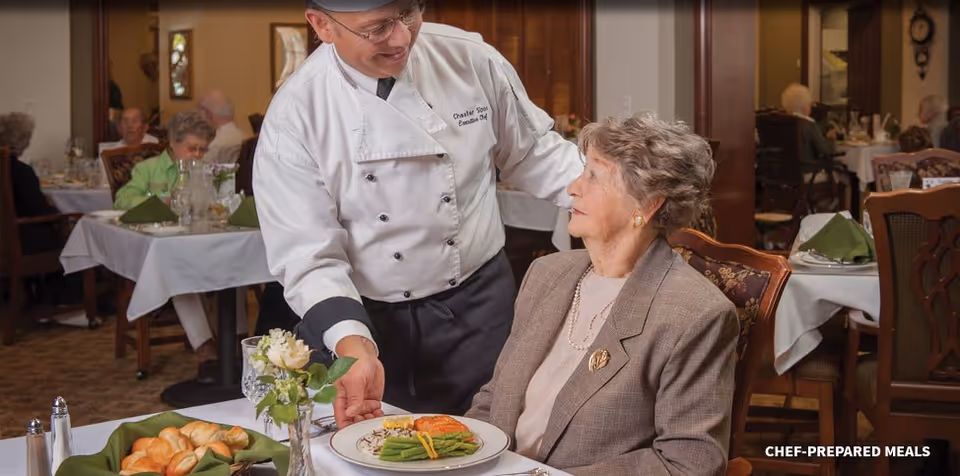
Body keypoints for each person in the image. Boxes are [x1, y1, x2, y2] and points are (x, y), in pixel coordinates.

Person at [253, 0, 583, 427]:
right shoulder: (297, 112)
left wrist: (612, 198)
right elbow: (307, 255)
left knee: (493, 436)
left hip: (478, 306)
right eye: (377, 28)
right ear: (322, 26)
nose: (403, 37)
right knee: (378, 446)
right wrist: (353, 346)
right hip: (366, 318)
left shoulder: (468, 57)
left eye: (410, 12)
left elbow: (535, 153)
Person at [466, 113, 739, 475]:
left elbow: (688, 463)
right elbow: (493, 400)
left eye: (594, 176)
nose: (572, 188)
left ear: (647, 205)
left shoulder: (694, 314)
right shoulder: (547, 274)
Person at [114, 110, 243, 383]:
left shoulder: (209, 170)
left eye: (203, 150)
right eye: (192, 148)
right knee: (177, 274)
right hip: (169, 251)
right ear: (173, 143)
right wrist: (160, 200)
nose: (198, 155)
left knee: (238, 265)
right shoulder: (148, 169)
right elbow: (122, 200)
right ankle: (205, 349)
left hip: (205, 246)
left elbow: (222, 203)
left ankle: (238, 345)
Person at [0, 112, 60, 255]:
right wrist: (58, 211)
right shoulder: (22, 171)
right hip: (20, 242)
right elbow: (40, 211)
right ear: (24, 140)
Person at [781, 83, 834, 163]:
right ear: (804, 107)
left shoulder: (780, 123)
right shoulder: (809, 124)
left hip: (782, 172)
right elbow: (825, 151)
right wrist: (830, 139)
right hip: (809, 170)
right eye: (809, 104)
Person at [198, 90, 244, 164]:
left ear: (207, 114)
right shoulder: (244, 137)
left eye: (198, 112)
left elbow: (194, 170)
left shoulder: (214, 145)